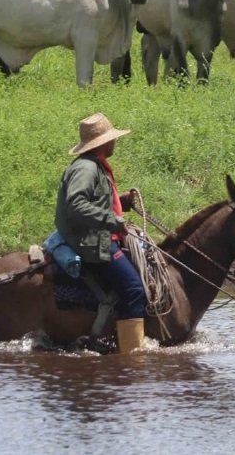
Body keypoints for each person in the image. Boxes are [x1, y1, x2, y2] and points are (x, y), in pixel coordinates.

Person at [54, 112, 147, 353]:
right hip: (90, 240)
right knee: (134, 289)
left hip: (98, 234)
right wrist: (112, 220)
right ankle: (131, 355)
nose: (115, 142)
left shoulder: (94, 166)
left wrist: (122, 202)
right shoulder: (86, 169)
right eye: (112, 138)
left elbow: (95, 200)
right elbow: (76, 205)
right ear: (103, 142)